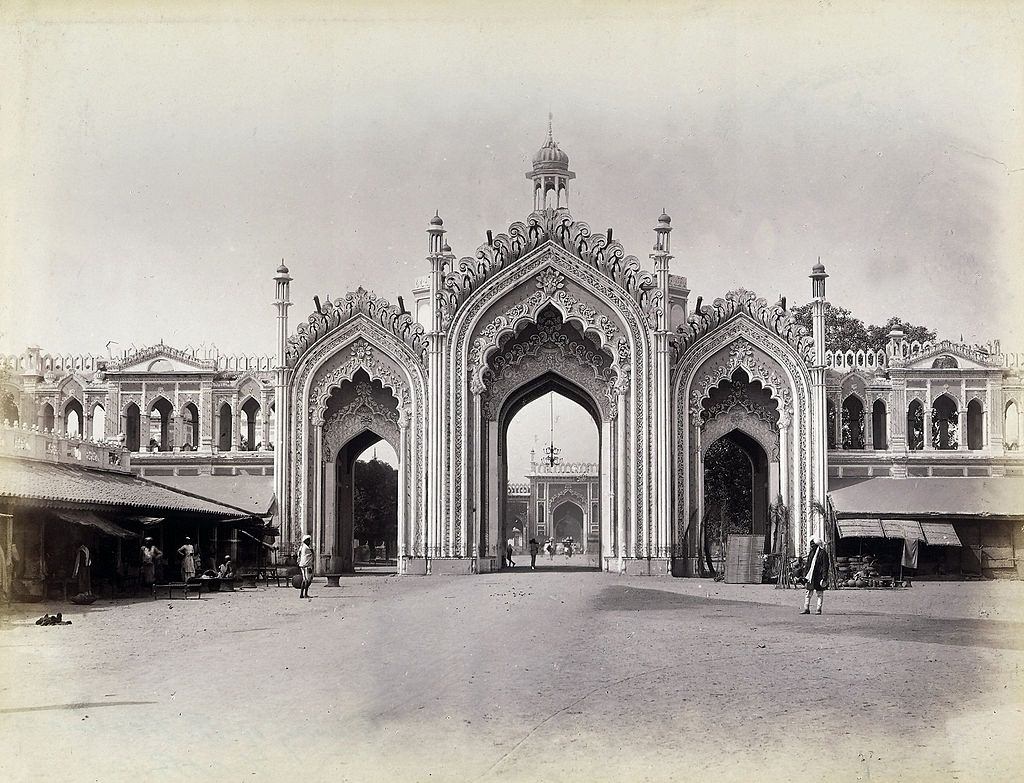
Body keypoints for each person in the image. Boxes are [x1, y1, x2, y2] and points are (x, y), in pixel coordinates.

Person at [801, 535, 830, 615]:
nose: (811, 546)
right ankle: (806, 608)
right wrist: (805, 575)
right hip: (810, 576)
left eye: (813, 544)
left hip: (819, 576)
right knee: (808, 593)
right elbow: (808, 565)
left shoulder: (823, 553)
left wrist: (824, 577)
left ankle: (818, 609)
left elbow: (825, 565)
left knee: (819, 593)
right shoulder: (811, 553)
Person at [297, 534, 314, 598]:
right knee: (307, 580)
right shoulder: (306, 548)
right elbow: (312, 554)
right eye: (308, 540)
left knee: (304, 580)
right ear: (305, 540)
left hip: (302, 564)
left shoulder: (302, 547)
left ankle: (301, 594)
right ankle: (305, 594)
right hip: (306, 565)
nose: (309, 542)